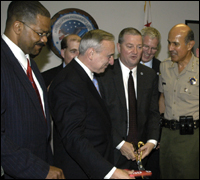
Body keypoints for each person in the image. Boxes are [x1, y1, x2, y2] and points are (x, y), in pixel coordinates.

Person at [48, 29, 135, 179]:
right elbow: (74, 137)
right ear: (91, 53)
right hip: (80, 172)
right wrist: (110, 172)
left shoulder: (85, 77)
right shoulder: (68, 82)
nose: (112, 62)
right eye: (109, 56)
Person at [1, 2, 64, 179]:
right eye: (40, 33)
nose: (45, 40)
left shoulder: (32, 66)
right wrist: (39, 170)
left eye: (46, 35)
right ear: (18, 26)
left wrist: (47, 165)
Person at [98, 27, 160, 171]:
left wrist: (151, 141)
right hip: (112, 152)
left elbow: (153, 112)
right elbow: (99, 117)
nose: (135, 51)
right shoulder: (104, 73)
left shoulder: (149, 75)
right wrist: (120, 143)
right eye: (130, 46)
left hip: (141, 153)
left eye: (139, 47)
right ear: (119, 47)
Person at [159, 23, 199, 179]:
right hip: (167, 134)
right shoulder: (164, 67)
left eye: (175, 43)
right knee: (166, 174)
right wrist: (160, 133)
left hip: (191, 136)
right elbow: (162, 99)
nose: (170, 48)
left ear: (190, 45)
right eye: (169, 42)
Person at [140, 27, 161, 179]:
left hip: (152, 138)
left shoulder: (162, 68)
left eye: (153, 48)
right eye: (146, 46)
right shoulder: (125, 65)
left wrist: (157, 136)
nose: (149, 51)